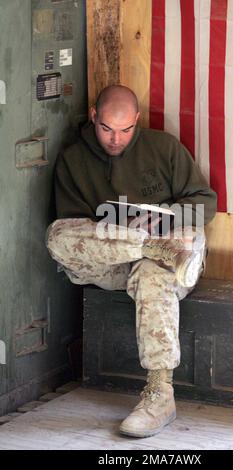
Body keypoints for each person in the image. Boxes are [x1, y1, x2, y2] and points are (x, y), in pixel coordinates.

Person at [46, 85, 217, 438]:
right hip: (116, 258)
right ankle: (150, 246)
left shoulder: (164, 147)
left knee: (155, 273)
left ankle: (160, 394)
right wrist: (127, 233)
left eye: (125, 130)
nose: (115, 139)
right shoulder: (73, 159)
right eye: (107, 128)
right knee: (56, 235)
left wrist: (164, 216)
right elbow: (74, 227)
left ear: (137, 121)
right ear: (94, 115)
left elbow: (205, 203)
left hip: (174, 253)